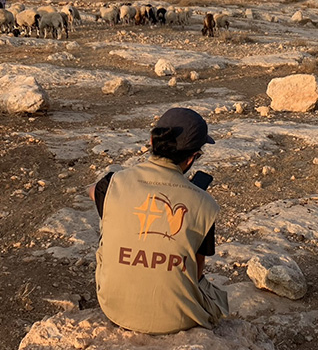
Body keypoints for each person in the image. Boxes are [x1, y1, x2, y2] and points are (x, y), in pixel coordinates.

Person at [91, 107, 228, 334]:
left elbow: (93, 190)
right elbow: (197, 272)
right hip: (176, 320)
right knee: (215, 299)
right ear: (192, 157)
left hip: (114, 308)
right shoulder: (203, 203)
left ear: (152, 142)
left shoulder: (112, 183)